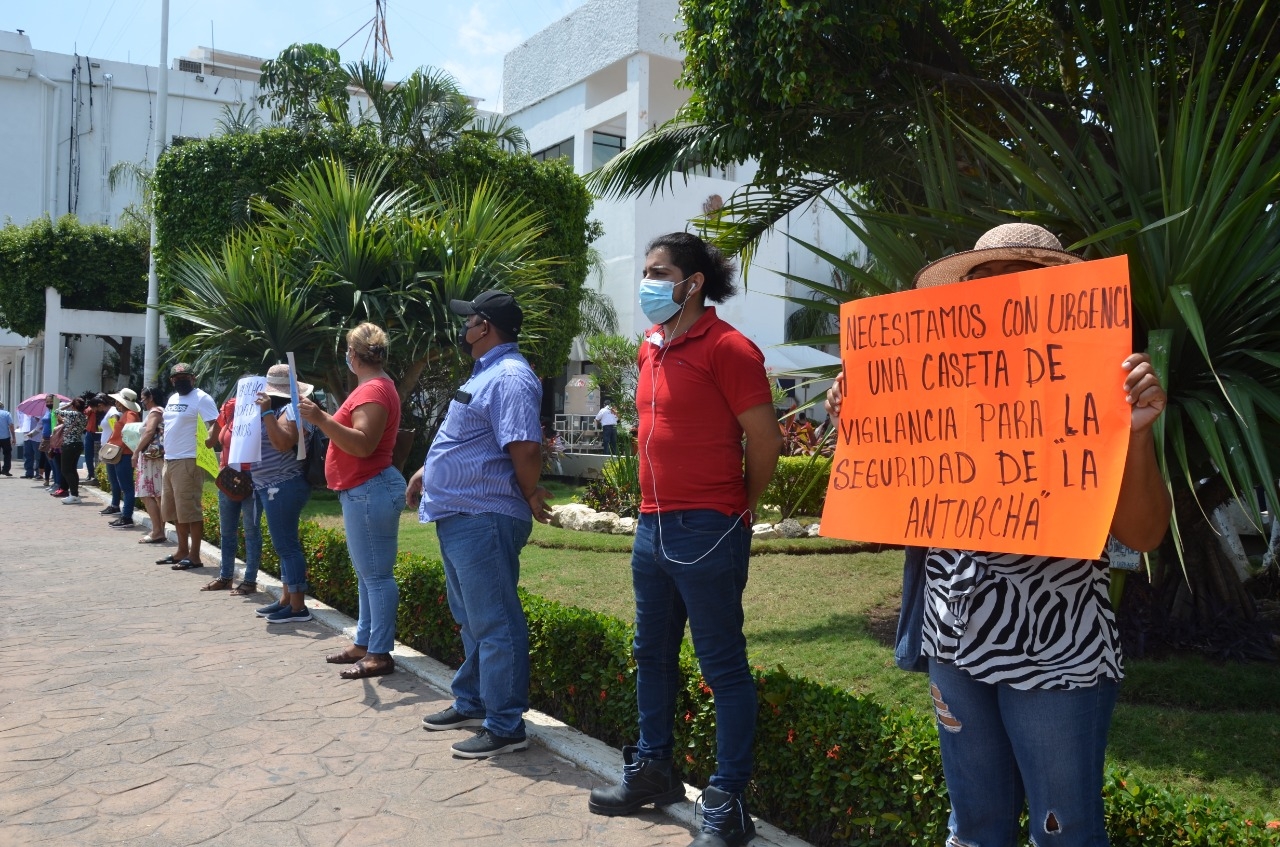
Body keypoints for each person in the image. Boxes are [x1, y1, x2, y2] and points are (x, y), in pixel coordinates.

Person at [824, 222, 1171, 847]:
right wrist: (864, 424)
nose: (998, 305)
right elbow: (882, 510)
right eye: (983, 287)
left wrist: (1138, 432)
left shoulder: (1094, 392)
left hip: (1059, 651)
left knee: (1063, 834)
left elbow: (1143, 534)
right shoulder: (935, 392)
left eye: (1019, 288)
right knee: (975, 829)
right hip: (953, 643)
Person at [587, 232, 781, 847]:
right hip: (653, 524)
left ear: (692, 282)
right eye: (645, 270)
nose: (646, 282)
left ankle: (727, 802)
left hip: (708, 525)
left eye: (658, 271)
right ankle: (654, 770)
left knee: (722, 665)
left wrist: (738, 509)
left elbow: (766, 441)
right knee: (651, 655)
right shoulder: (651, 347)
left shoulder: (730, 348)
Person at [411, 291, 550, 759]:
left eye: (469, 320)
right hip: (461, 514)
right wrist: (427, 471)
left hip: (484, 516)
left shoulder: (510, 375)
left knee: (495, 623)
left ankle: (506, 725)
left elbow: (525, 448)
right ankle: (472, 702)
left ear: (485, 326)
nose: (464, 328)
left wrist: (530, 492)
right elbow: (468, 439)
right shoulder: (488, 373)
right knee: (470, 618)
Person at [301, 324, 405, 671]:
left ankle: (379, 653)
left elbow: (362, 444)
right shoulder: (374, 386)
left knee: (376, 576)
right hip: (365, 488)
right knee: (368, 574)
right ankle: (366, 643)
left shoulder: (374, 391)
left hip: (369, 487)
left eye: (347, 350)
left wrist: (320, 418)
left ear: (354, 355)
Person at [243, 365, 316, 621]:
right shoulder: (278, 410)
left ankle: (298, 607)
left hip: (284, 483)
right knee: (283, 544)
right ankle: (287, 599)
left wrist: (266, 413)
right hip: (269, 484)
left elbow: (283, 443)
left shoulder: (295, 409)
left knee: (287, 545)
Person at [155, 363, 219, 571]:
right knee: (174, 510)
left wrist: (209, 441)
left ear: (194, 378)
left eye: (185, 377)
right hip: (170, 460)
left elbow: (215, 423)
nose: (181, 380)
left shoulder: (202, 398)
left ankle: (194, 555)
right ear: (171, 380)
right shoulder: (173, 398)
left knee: (190, 510)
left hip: (189, 460)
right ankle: (181, 551)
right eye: (177, 378)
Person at [202, 394, 263, 596]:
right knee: (227, 530)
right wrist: (210, 432)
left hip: (253, 478)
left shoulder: (263, 406)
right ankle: (225, 577)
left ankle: (249, 580)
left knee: (251, 531)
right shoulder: (229, 407)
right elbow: (213, 437)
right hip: (228, 477)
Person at [134, 386, 169, 544]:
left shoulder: (155, 412)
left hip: (151, 458)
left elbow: (149, 432)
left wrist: (136, 451)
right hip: (156, 457)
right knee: (158, 494)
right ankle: (159, 530)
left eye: (143, 397)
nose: (142, 400)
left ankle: (157, 531)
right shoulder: (161, 410)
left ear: (151, 397)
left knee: (148, 494)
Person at [103, 389, 141, 528]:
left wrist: (120, 445)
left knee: (127, 487)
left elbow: (131, 432)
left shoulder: (130, 414)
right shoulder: (127, 414)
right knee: (125, 486)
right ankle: (125, 515)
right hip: (121, 453)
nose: (116, 403)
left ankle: (126, 517)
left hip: (124, 454)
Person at [56, 397, 89, 504]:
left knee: (65, 470)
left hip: (69, 445)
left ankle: (74, 495)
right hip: (78, 444)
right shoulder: (83, 417)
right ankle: (75, 494)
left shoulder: (74, 414)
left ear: (74, 406)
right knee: (72, 470)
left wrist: (68, 404)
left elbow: (56, 411)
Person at [20, 412, 41, 478]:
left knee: (38, 456)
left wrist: (36, 418)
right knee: (28, 455)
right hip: (27, 437)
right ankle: (29, 473)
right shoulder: (25, 415)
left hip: (36, 438)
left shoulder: (39, 413)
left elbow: (41, 424)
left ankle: (38, 473)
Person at [0, 401, 14, 476]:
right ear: (2, 407)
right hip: (5, 437)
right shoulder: (7, 414)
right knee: (7, 454)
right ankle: (6, 470)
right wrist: (13, 437)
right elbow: (11, 426)